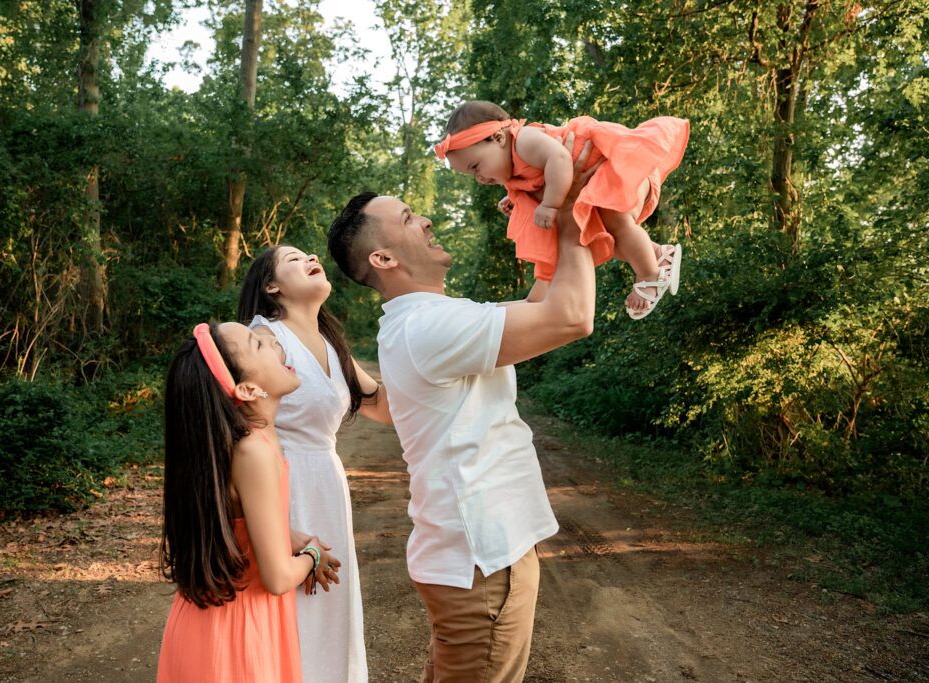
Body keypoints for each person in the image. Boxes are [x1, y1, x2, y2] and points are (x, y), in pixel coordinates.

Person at [327, 134, 598, 682]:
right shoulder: (430, 326)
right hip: (483, 562)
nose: (424, 219)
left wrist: (537, 211)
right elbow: (573, 316)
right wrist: (573, 214)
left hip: (477, 556)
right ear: (383, 258)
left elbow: (540, 305)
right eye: (407, 218)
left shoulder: (430, 318)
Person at [238, 245, 392, 683]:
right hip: (280, 487)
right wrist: (280, 529)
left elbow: (383, 407)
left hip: (326, 483)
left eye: (310, 254)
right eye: (293, 259)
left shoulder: (331, 343)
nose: (309, 258)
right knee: (291, 614)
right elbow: (237, 427)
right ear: (272, 286)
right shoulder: (264, 339)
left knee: (328, 612)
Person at [157, 321, 341, 682]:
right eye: (259, 345)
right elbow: (277, 577)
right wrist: (314, 553)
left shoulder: (251, 437)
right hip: (238, 636)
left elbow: (234, 517)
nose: (274, 342)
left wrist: (286, 536)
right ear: (248, 388)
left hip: (209, 624)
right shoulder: (253, 449)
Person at [435, 99, 689, 319]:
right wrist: (515, 198)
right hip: (592, 188)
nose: (478, 177)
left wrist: (550, 204)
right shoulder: (513, 164)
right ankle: (658, 253)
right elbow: (534, 180)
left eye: (476, 166)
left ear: (499, 138)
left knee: (618, 225)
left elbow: (558, 159)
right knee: (607, 241)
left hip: (609, 169)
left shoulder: (524, 140)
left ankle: (648, 274)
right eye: (471, 174)